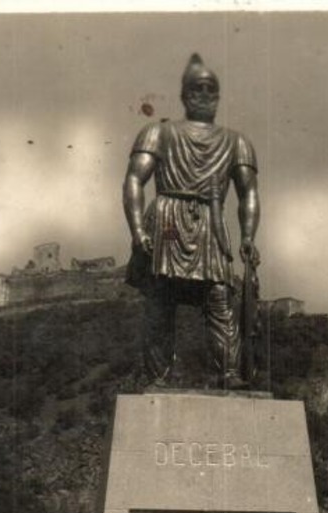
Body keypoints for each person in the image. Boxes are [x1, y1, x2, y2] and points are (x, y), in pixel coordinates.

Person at [122, 53, 260, 388]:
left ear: (218, 95)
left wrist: (247, 237)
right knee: (160, 303)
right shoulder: (158, 132)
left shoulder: (237, 142)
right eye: (196, 88)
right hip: (167, 218)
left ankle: (228, 373)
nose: (204, 94)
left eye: (211, 88)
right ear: (184, 95)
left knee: (220, 300)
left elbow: (249, 194)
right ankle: (157, 377)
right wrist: (138, 229)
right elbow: (134, 180)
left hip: (211, 225)